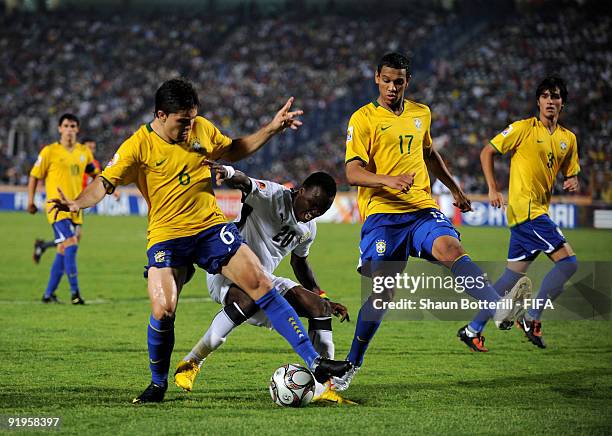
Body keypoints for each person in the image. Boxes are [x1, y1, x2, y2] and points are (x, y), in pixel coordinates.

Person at [48, 78, 352, 404]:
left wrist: (271, 129)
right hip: (167, 235)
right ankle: (158, 384)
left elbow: (234, 148)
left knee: (260, 283)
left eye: (192, 119)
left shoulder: (201, 129)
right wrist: (77, 204)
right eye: (182, 122)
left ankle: (315, 363)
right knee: (164, 309)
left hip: (210, 228)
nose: (189, 128)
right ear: (161, 115)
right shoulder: (138, 146)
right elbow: (103, 184)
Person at [335, 52, 514, 391]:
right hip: (383, 215)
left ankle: (497, 307)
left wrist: (456, 190)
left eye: (398, 81)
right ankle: (351, 363)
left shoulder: (421, 113)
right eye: (386, 80)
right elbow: (352, 172)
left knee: (450, 247)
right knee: (382, 294)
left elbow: (429, 154)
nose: (391, 87)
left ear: (407, 81)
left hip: (420, 208)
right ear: (376, 78)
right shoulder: (362, 119)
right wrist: (388, 180)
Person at [174, 164, 352, 403]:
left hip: (264, 279)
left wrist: (322, 295)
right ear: (301, 191)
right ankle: (192, 361)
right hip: (227, 270)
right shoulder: (273, 195)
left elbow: (300, 264)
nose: (314, 211)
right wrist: (227, 172)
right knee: (247, 299)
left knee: (319, 308)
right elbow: (245, 182)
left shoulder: (309, 228)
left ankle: (323, 385)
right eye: (313, 203)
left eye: (323, 208)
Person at [480, 76, 580, 348]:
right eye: (545, 96)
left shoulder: (568, 139)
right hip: (528, 211)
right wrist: (492, 188)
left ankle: (473, 329)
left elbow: (571, 172)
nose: (550, 101)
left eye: (555, 96)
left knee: (509, 278)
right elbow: (487, 151)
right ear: (538, 101)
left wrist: (572, 180)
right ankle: (532, 316)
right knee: (569, 263)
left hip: (533, 214)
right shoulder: (523, 128)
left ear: (563, 103)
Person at [28, 113, 96, 304]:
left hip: (75, 209)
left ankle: (48, 295)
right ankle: (75, 294)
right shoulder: (49, 151)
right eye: (66, 126)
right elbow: (34, 175)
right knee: (71, 244)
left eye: (73, 126)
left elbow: (96, 174)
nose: (69, 129)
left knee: (62, 250)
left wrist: (109, 189)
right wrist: (30, 201)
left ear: (77, 129)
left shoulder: (84, 152)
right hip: (56, 209)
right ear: (59, 129)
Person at [32, 137, 103, 264]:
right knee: (69, 240)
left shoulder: (91, 163)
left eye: (93, 148)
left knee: (74, 238)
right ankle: (64, 270)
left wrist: (114, 191)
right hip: (67, 202)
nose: (91, 150)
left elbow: (102, 179)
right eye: (89, 147)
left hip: (79, 203)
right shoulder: (75, 157)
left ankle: (44, 248)